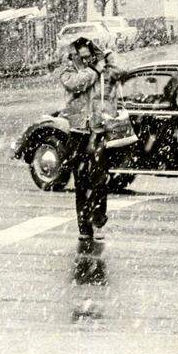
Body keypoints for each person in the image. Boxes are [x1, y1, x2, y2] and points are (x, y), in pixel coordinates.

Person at [58, 35, 125, 247]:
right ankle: (84, 226)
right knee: (81, 180)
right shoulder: (70, 66)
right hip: (78, 130)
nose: (85, 58)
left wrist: (108, 57)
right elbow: (73, 84)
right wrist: (94, 70)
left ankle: (98, 220)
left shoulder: (103, 63)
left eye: (88, 54)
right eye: (81, 55)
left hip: (99, 129)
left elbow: (121, 72)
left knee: (99, 179)